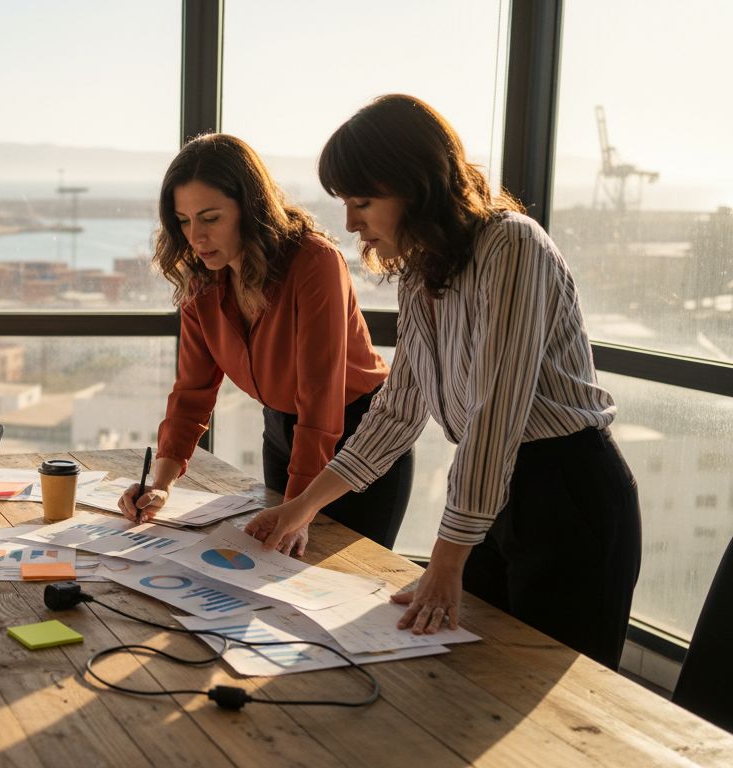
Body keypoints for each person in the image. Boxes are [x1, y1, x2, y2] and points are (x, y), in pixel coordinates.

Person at [245, 95, 642, 670]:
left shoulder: (512, 245)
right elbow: (396, 413)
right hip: (496, 500)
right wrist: (300, 507)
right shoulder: (420, 273)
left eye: (363, 201)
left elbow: (495, 416)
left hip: (568, 494)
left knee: (557, 710)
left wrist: (446, 560)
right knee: (475, 682)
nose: (352, 222)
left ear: (416, 185)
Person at [118, 133, 414, 553]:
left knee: (339, 582)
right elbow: (192, 394)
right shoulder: (201, 278)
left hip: (357, 435)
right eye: (184, 221)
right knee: (276, 573)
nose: (196, 237)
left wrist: (299, 507)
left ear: (249, 208)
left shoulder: (314, 262)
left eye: (210, 217)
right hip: (281, 429)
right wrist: (160, 486)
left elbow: (320, 398)